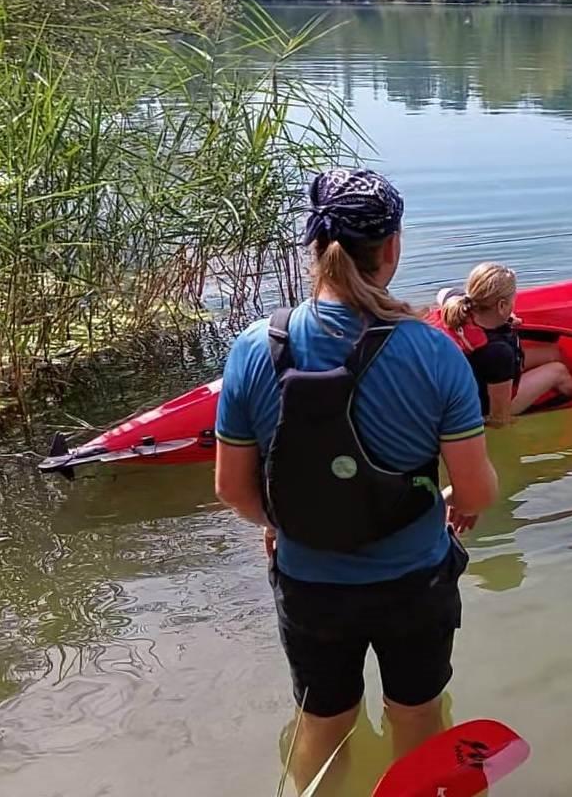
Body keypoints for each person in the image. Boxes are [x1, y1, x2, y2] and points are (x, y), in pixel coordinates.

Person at [213, 168, 498, 795]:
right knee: (417, 717)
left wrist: (279, 521)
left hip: (310, 585)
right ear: (392, 248)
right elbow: (477, 494)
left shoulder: (255, 347)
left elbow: (232, 490)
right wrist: (448, 502)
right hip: (414, 584)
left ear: (313, 246)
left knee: (324, 723)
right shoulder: (434, 351)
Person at [433, 262, 572, 427]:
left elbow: (444, 293)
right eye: (513, 299)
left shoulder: (461, 307)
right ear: (501, 306)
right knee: (558, 371)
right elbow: (499, 418)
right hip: (485, 409)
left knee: (553, 352)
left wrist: (507, 316)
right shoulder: (498, 352)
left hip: (478, 373)